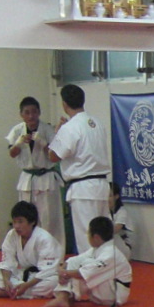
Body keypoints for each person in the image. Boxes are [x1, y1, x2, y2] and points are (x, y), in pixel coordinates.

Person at [48, 82, 112, 255]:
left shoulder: (70, 127)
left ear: (64, 104)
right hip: (101, 185)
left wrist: (57, 133)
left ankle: (90, 271)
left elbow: (53, 156)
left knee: (88, 238)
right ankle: (106, 269)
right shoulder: (97, 123)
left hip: (83, 188)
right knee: (104, 236)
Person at [6, 95, 63, 244]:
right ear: (21, 114)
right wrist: (18, 144)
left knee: (49, 218)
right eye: (27, 112)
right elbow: (12, 154)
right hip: (27, 179)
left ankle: (52, 250)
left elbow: (54, 157)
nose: (31, 116)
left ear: (39, 112)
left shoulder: (47, 129)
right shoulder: (17, 130)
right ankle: (28, 249)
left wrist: (43, 143)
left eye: (34, 112)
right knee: (27, 218)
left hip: (46, 178)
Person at [43, 215, 130, 307]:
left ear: (96, 237)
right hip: (101, 292)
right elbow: (74, 260)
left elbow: (84, 273)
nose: (87, 236)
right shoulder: (97, 249)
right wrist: (62, 269)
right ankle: (64, 297)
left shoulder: (111, 254)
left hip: (113, 296)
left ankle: (65, 297)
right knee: (75, 264)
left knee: (85, 268)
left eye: (88, 233)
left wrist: (64, 273)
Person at [0, 201, 62, 299]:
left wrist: (26, 286)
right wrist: (6, 281)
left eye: (20, 222)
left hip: (39, 277)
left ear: (32, 222)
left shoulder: (45, 239)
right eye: (14, 222)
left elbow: (48, 270)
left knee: (54, 282)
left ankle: (10, 292)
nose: (16, 226)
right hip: (21, 275)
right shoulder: (12, 235)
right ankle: (18, 291)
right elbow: (7, 262)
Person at [109, 182, 134, 255]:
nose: (106, 198)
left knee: (109, 235)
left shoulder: (122, 211)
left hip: (123, 245)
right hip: (112, 246)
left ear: (116, 196)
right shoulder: (104, 210)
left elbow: (116, 229)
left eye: (109, 196)